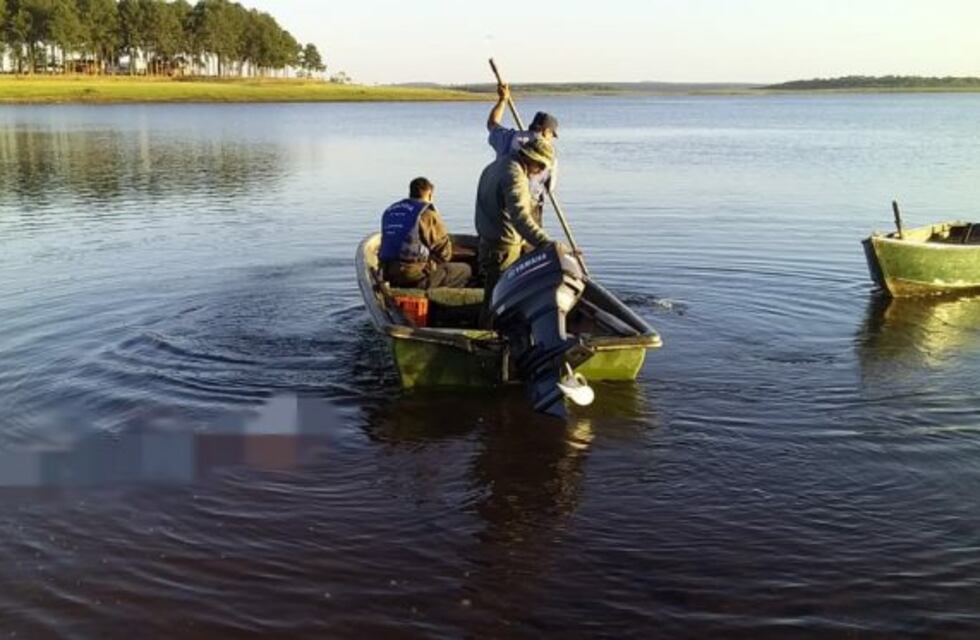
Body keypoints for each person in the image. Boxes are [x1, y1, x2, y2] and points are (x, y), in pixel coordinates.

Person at [474, 137, 559, 326]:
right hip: (503, 247)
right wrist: (547, 244)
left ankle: (488, 333)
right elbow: (520, 218)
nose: (540, 172)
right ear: (533, 161)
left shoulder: (494, 166)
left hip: (488, 241)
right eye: (541, 167)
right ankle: (488, 342)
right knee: (497, 301)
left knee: (491, 295)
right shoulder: (515, 176)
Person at [486, 83, 559, 226]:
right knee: (532, 244)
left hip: (500, 209)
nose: (551, 139)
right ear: (546, 132)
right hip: (528, 211)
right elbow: (550, 188)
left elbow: (492, 124)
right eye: (552, 135)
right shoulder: (550, 155)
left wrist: (502, 100)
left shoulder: (508, 138)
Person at [379, 177, 471, 289]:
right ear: (430, 195)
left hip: (388, 273)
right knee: (465, 270)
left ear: (410, 193)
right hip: (414, 277)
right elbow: (445, 254)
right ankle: (438, 301)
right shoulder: (428, 214)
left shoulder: (390, 210)